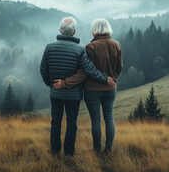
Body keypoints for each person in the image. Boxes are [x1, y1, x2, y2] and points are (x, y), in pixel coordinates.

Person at [40, 17, 115, 157]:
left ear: (60, 30)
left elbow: (43, 69)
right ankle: (69, 153)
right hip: (73, 95)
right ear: (74, 31)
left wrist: (50, 84)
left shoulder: (49, 47)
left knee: (55, 122)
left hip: (55, 92)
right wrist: (105, 78)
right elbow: (89, 70)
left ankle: (55, 152)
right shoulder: (80, 50)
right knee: (71, 123)